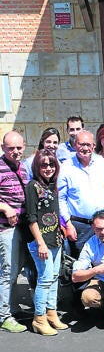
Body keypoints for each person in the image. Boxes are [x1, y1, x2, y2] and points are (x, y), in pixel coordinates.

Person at [58, 130, 104, 258]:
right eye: (81, 144)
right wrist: (67, 224)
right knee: (80, 263)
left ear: (93, 146)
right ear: (75, 145)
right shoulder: (66, 167)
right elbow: (61, 198)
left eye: (88, 144)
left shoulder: (101, 163)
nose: (85, 148)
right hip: (80, 226)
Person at [24, 149, 66, 335]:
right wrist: (40, 243)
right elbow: (31, 218)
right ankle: (39, 318)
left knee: (54, 277)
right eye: (44, 165)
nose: (48, 168)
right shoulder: (33, 186)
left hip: (55, 239)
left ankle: (51, 313)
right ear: (37, 167)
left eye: (51, 164)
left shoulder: (51, 185)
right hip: (41, 241)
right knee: (45, 278)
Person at [0, 131, 28, 333]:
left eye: (19, 147)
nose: (15, 151)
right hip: (5, 229)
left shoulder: (23, 168)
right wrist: (4, 207)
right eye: (11, 148)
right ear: (3, 148)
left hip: (21, 227)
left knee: (17, 269)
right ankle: (3, 316)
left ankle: (10, 306)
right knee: (7, 271)